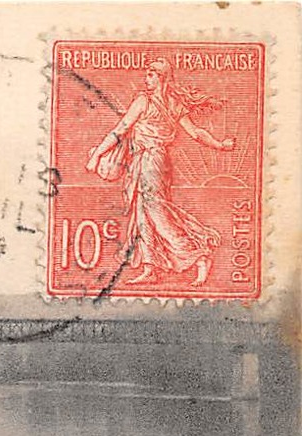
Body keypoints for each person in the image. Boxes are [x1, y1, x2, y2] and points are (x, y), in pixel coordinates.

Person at [85, 58, 237, 287]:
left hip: (151, 160)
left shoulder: (144, 101)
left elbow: (121, 130)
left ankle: (198, 255)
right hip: (152, 161)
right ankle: (151, 267)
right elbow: (196, 132)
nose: (146, 78)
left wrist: (97, 154)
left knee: (156, 212)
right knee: (142, 213)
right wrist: (220, 144)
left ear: (161, 77)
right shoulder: (171, 103)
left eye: (150, 75)